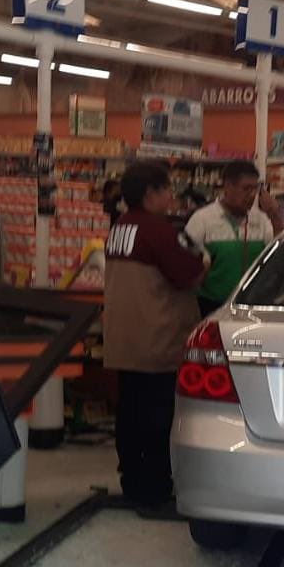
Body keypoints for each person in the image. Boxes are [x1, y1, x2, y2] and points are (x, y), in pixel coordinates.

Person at [103, 161, 208, 506]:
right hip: (157, 339)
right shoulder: (159, 231)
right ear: (151, 194)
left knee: (129, 413)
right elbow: (188, 275)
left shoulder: (120, 226)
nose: (171, 196)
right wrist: (204, 261)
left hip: (124, 339)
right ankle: (155, 486)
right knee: (158, 417)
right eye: (167, 189)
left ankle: (132, 479)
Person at [185, 161, 284, 317]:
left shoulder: (262, 220)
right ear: (228, 187)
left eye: (255, 189)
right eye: (246, 189)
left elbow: (281, 251)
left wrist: (273, 214)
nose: (252, 195)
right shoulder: (202, 220)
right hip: (209, 307)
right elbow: (186, 267)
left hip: (251, 307)